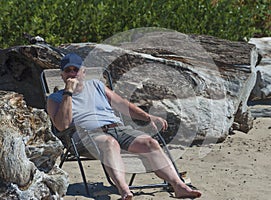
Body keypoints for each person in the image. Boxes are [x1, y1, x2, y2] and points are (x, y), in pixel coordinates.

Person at [47, 53, 201, 200]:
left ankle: (178, 185)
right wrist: (68, 92)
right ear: (62, 75)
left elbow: (122, 104)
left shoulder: (96, 85)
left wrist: (148, 117)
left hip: (116, 128)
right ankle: (124, 190)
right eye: (68, 70)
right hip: (84, 136)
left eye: (76, 69)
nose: (73, 73)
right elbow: (62, 126)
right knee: (110, 143)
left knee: (150, 142)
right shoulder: (55, 98)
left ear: (84, 72)